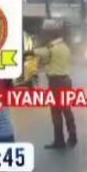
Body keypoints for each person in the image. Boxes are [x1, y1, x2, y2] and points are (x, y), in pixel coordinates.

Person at [32, 20, 77, 149]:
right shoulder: (64, 46)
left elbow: (38, 52)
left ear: (51, 34)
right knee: (66, 110)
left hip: (57, 83)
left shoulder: (51, 48)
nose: (44, 35)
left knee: (56, 112)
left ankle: (60, 141)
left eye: (45, 32)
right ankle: (72, 137)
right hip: (65, 81)